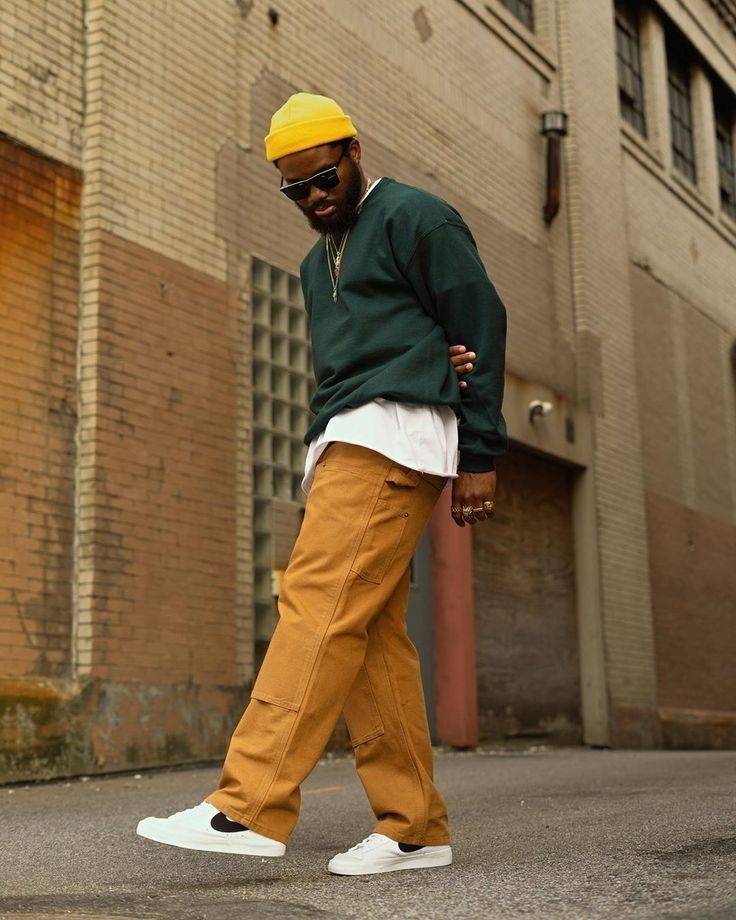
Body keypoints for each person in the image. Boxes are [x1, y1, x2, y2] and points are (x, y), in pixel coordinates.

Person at [136, 93, 507, 876]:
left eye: (323, 177)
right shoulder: (315, 263)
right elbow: (340, 370)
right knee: (368, 636)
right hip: (343, 441)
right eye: (295, 189)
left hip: (393, 438)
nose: (314, 196)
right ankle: (414, 829)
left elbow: (479, 320)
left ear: (353, 150)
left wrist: (480, 451)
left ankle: (250, 805)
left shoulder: (416, 218)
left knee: (313, 603)